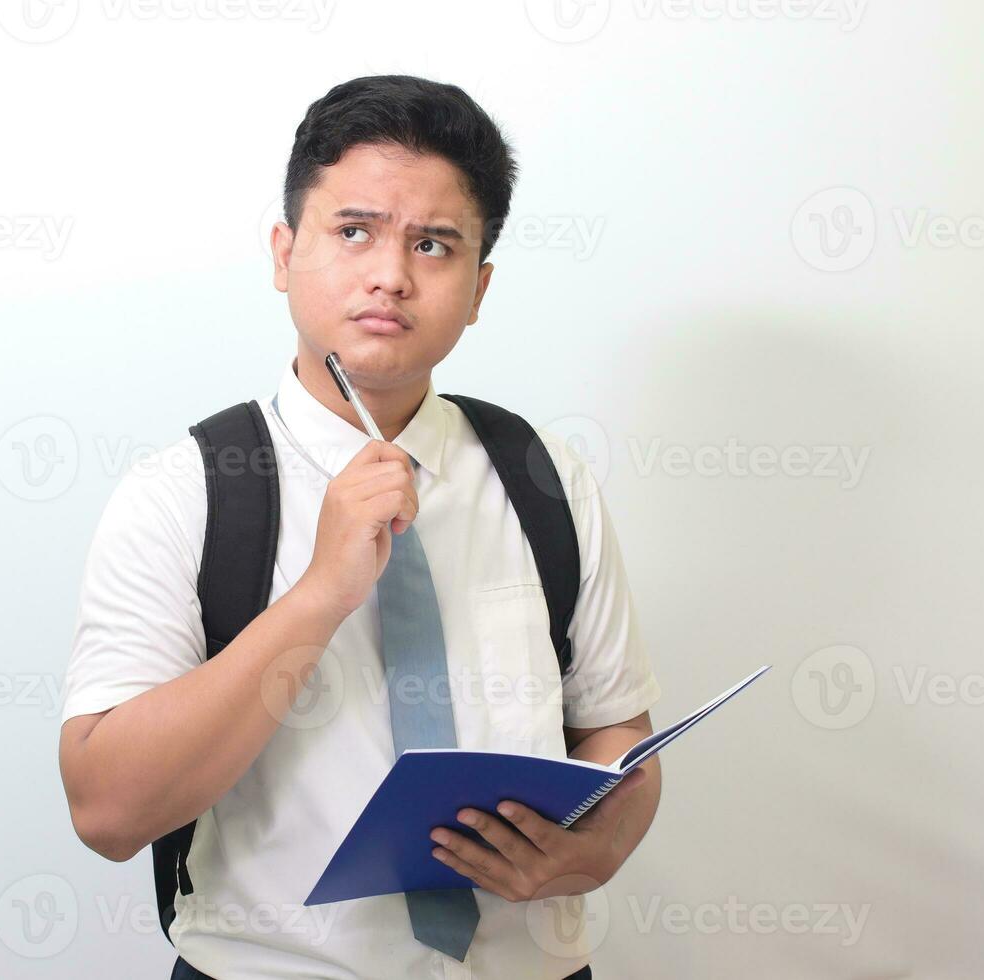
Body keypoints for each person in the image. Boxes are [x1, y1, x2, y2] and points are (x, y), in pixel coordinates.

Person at [58, 74, 662, 980]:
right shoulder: (185, 491)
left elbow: (619, 736)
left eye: (434, 244)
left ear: (479, 286)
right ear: (283, 251)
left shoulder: (542, 474)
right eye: (353, 231)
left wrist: (600, 849)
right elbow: (106, 811)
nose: (390, 273)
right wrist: (319, 595)